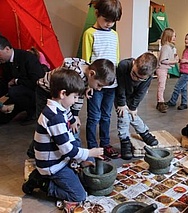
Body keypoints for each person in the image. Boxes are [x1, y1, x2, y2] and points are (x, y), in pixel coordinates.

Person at [22, 69, 104, 208]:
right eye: (75, 97)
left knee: (86, 162)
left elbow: (68, 138)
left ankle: (60, 174)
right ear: (63, 94)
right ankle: (43, 182)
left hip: (59, 157)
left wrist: (83, 158)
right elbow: (68, 151)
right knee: (79, 195)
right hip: (52, 166)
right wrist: (90, 153)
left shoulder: (60, 109)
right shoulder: (55, 117)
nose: (76, 101)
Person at [26, 57, 116, 158]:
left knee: (64, 123)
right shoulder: (75, 75)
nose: (99, 89)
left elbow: (75, 98)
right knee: (47, 124)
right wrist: (73, 117)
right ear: (91, 74)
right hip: (45, 91)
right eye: (99, 85)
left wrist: (88, 87)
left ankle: (60, 146)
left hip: (60, 94)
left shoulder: (85, 70)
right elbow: (64, 104)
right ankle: (33, 151)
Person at [82, 0, 122, 159]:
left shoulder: (114, 35)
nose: (110, 24)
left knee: (106, 116)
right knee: (94, 117)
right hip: (96, 84)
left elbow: (116, 60)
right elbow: (86, 62)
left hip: (111, 84)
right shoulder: (89, 34)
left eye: (113, 21)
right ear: (97, 14)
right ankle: (93, 148)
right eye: (107, 20)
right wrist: (88, 85)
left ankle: (105, 145)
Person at [116, 52, 159, 160]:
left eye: (140, 78)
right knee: (123, 116)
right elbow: (120, 87)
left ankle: (144, 132)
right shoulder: (123, 65)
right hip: (120, 94)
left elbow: (141, 92)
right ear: (134, 63)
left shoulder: (147, 77)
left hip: (132, 96)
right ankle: (125, 140)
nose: (135, 78)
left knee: (132, 115)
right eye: (134, 74)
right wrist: (121, 103)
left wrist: (133, 107)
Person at [0, 35, 45, 125]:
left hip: (33, 93)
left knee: (14, 91)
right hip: (16, 94)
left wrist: (17, 81)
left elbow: (38, 81)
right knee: (2, 119)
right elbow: (4, 82)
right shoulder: (4, 62)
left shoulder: (27, 57)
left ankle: (32, 112)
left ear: (7, 49)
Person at [166, 32, 188, 110]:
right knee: (183, 89)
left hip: (187, 73)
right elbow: (184, 60)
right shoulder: (186, 49)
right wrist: (180, 60)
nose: (186, 41)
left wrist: (187, 61)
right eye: (185, 39)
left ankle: (172, 101)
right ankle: (184, 103)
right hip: (182, 71)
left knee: (177, 87)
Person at [156, 28, 179, 113]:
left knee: (162, 86)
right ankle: (160, 102)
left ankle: (160, 101)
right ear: (168, 37)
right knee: (161, 86)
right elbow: (163, 60)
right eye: (173, 36)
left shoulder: (170, 47)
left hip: (164, 70)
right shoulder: (166, 47)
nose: (174, 38)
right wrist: (174, 61)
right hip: (161, 69)